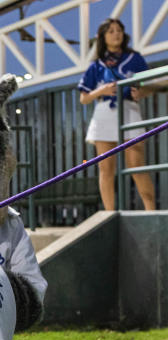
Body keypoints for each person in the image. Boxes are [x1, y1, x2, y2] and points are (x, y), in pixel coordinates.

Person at [78, 18, 156, 210]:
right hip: (104, 113)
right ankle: (109, 213)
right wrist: (101, 91)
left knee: (137, 165)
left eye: (119, 30)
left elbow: (149, 86)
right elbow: (84, 98)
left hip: (130, 110)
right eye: (111, 31)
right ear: (103, 37)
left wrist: (142, 92)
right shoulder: (96, 65)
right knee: (106, 168)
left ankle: (151, 210)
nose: (116, 34)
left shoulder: (135, 58)